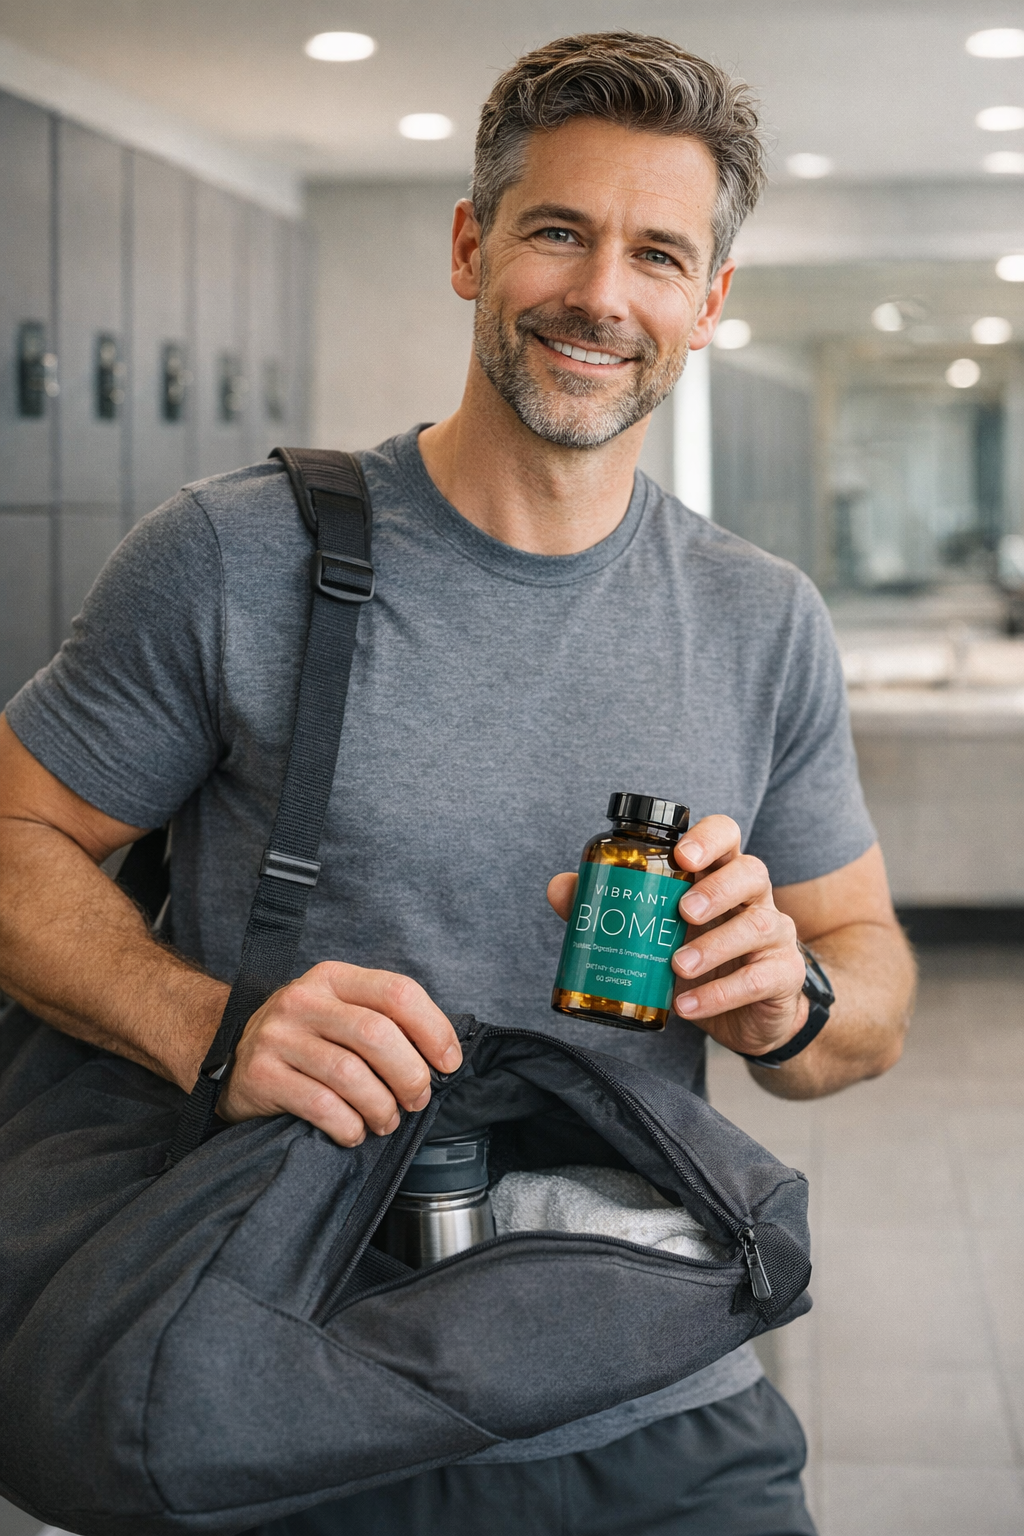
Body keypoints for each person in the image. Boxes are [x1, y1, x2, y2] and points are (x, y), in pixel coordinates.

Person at [0, 31, 915, 1536]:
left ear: (709, 301)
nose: (601, 294)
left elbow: (866, 990)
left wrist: (792, 1000)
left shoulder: (762, 618)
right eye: (558, 231)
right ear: (471, 245)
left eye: (657, 254)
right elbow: (18, 830)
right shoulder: (238, 559)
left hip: (649, 1384)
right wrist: (205, 1027)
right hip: (284, 1370)